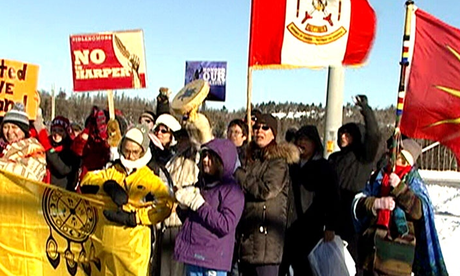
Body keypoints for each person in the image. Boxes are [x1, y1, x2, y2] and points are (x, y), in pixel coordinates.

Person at [80, 123, 174, 276]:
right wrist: (107, 185)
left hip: (134, 253)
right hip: (106, 248)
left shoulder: (150, 176)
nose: (129, 156)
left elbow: (167, 204)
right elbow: (86, 181)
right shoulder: (112, 170)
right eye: (126, 151)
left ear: (142, 152)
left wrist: (136, 217)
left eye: (134, 152)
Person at [352, 138, 448, 276]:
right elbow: (358, 205)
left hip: (397, 257)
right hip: (369, 254)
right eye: (395, 157)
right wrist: (375, 203)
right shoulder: (377, 178)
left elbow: (420, 211)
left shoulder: (413, 181)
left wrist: (400, 189)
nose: (396, 162)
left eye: (402, 160)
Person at [235, 113, 299, 276]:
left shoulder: (278, 161)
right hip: (247, 242)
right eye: (256, 127)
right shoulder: (249, 159)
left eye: (265, 128)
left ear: (273, 133)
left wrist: (241, 176)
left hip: (267, 245)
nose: (259, 131)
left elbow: (266, 190)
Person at [174, 138, 245, 276]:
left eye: (211, 157)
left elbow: (226, 225)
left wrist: (199, 205)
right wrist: (183, 208)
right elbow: (191, 222)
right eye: (204, 156)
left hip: (213, 259)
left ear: (222, 161)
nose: (206, 160)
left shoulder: (232, 190)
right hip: (192, 255)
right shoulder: (201, 185)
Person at [328, 95, 380, 268]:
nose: (343, 137)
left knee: (355, 264)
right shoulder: (333, 158)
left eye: (348, 134)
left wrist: (366, 109)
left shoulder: (363, 157)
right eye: (342, 133)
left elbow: (374, 135)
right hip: (333, 220)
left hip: (355, 220)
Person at [281, 125, 340, 275]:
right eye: (299, 139)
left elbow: (333, 198)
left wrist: (330, 226)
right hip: (288, 226)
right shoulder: (291, 166)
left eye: (306, 139)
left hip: (312, 228)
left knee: (306, 268)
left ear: (315, 143)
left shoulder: (324, 167)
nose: (301, 143)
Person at [0, 103, 47, 182]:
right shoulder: (2, 148)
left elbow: (31, 176)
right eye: (6, 127)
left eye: (14, 127)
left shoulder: (34, 149)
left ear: (23, 130)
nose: (9, 131)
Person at [36, 116, 80, 190]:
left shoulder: (71, 149)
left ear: (66, 132)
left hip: (62, 194)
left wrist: (42, 136)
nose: (57, 134)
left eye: (60, 131)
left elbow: (62, 168)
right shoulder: (47, 145)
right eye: (54, 130)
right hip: (44, 191)